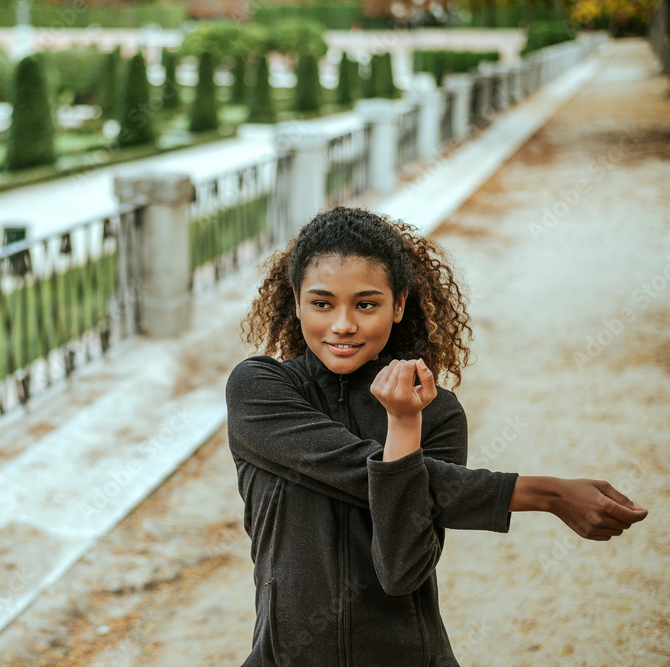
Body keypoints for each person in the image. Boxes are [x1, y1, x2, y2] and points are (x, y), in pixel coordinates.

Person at [225, 206, 648, 666]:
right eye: (322, 303)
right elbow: (350, 465)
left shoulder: (438, 413)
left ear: (399, 303)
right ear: (296, 298)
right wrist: (542, 494)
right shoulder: (261, 390)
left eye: (366, 304)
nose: (343, 324)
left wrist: (405, 424)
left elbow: (401, 572)